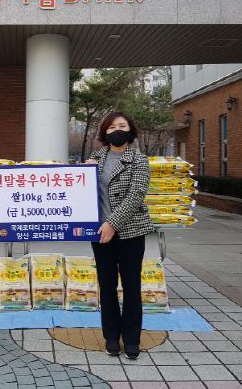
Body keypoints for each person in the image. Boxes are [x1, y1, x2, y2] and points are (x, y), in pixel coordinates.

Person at [85, 112, 154, 359]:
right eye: (112, 126)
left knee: (132, 286)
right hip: (100, 234)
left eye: (122, 125)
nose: (117, 130)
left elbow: (136, 195)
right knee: (107, 286)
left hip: (130, 232)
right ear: (105, 132)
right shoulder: (94, 159)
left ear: (131, 130)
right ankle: (111, 337)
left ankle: (132, 339)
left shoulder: (139, 160)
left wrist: (112, 223)